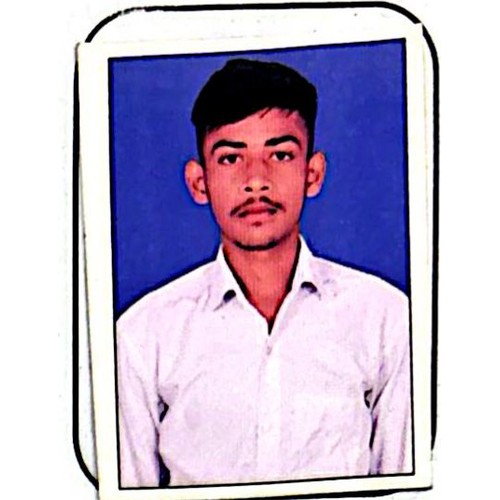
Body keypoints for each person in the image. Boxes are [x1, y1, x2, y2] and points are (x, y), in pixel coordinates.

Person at [117, 58, 412, 488]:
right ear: (199, 182)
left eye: (280, 154)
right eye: (231, 158)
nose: (256, 180)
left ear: (312, 173)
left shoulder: (385, 317)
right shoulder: (144, 333)